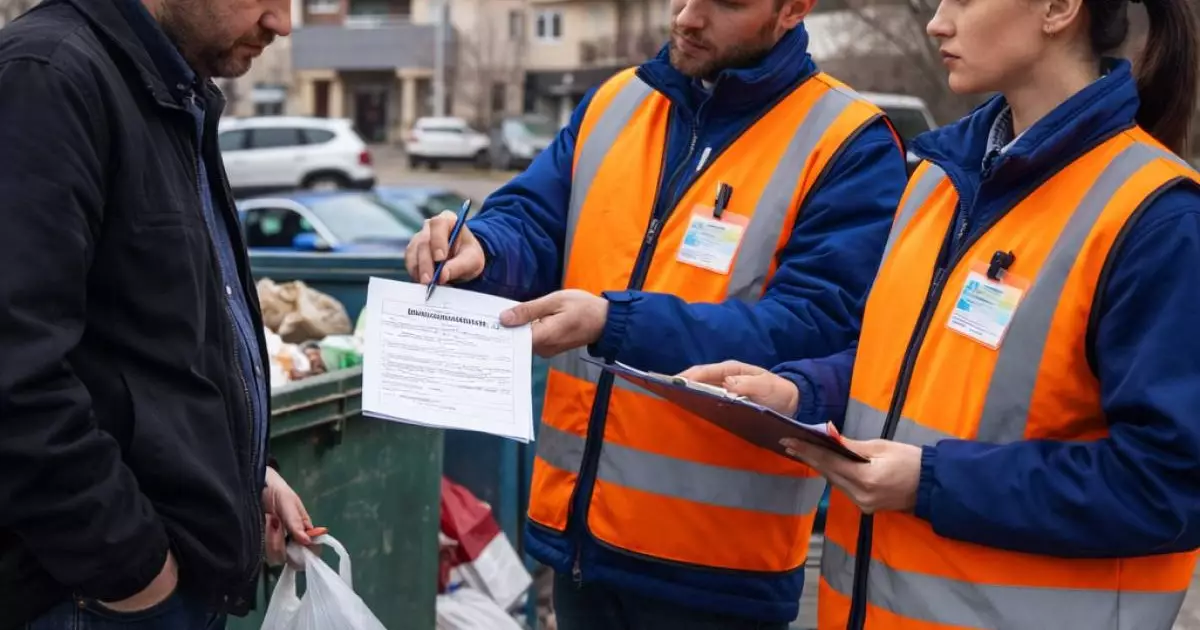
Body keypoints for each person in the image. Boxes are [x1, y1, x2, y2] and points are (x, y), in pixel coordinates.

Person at [681, 0, 1200, 626]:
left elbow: (1170, 485)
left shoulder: (1159, 219)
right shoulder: (939, 181)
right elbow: (905, 368)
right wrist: (798, 393)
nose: (937, 22)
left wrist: (931, 482)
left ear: (1060, 9)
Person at [405, 0, 909, 626]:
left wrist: (614, 323)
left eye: (725, 3)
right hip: (580, 546)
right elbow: (534, 219)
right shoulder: (619, 101)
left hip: (716, 570)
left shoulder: (849, 143)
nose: (687, 18)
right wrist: (484, 248)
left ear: (793, 10)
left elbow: (815, 329)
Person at [0, 0, 315, 628]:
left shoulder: (167, 87)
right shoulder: (50, 78)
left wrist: (247, 476)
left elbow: (166, 341)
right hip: (93, 597)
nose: (281, 23)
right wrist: (136, 572)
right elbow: (14, 370)